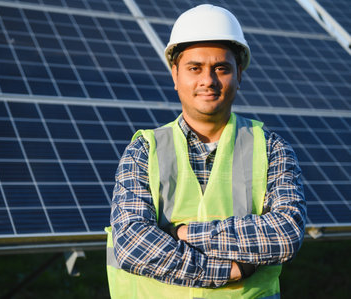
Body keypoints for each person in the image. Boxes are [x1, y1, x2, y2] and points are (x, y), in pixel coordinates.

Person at [105, 4, 306, 299]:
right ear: (175, 76)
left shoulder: (272, 148)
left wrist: (184, 234)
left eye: (221, 68)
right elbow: (133, 245)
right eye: (194, 68)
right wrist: (228, 271)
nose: (208, 81)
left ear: (239, 75)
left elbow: (285, 235)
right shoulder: (143, 150)